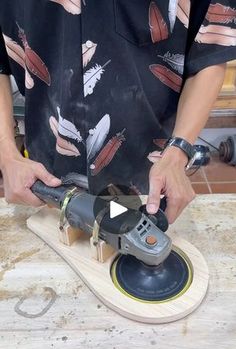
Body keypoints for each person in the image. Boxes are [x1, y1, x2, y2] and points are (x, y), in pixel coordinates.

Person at [0, 0, 235, 223]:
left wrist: (179, 151)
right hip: (43, 182)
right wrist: (7, 155)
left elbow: (211, 46)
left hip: (153, 177)